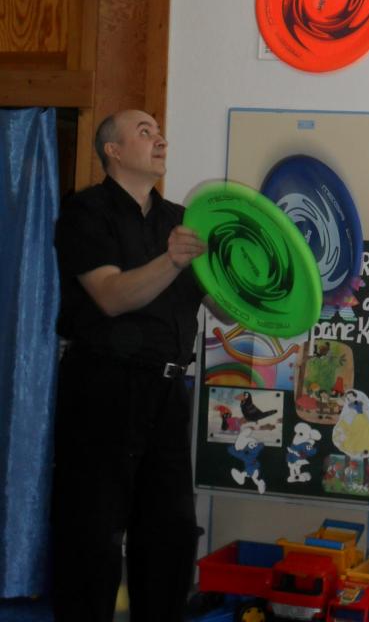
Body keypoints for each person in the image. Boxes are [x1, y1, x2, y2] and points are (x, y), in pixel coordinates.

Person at [51, 109, 223, 622]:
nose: (160, 139)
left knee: (171, 533)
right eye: (144, 132)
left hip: (168, 391)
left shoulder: (181, 220)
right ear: (113, 150)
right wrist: (172, 260)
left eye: (160, 131)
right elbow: (110, 297)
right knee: (93, 532)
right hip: (103, 386)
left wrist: (281, 291)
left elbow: (223, 306)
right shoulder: (86, 212)